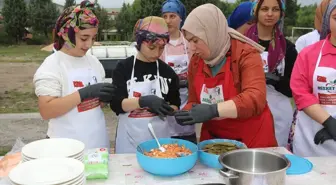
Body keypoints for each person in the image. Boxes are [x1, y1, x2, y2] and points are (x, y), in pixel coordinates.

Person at [174, 4, 278, 148]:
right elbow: (194, 100)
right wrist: (186, 113)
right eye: (189, 41)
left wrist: (213, 110)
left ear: (211, 34)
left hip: (250, 140)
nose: (192, 47)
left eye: (195, 40)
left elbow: (255, 98)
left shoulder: (246, 54)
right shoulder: (197, 62)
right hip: (214, 141)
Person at [33, 1, 114, 150]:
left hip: (97, 145)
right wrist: (84, 93)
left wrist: (104, 98)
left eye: (93, 38)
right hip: (65, 149)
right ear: (66, 34)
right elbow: (46, 110)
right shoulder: (53, 65)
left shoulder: (94, 62)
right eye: (84, 38)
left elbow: (97, 106)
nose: (89, 44)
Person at [110, 16, 181, 153]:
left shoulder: (168, 72)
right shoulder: (123, 68)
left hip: (160, 144)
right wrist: (143, 101)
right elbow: (116, 105)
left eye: (161, 48)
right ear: (139, 41)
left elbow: (175, 103)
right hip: (128, 144)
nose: (157, 53)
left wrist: (167, 109)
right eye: (152, 47)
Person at [244, 0, 298, 147]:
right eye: (264, 9)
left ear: (281, 13)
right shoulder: (242, 43)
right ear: (256, 11)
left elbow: (294, 88)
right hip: (248, 111)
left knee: (274, 157)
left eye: (275, 9)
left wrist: (276, 80)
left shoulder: (288, 48)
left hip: (279, 115)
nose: (269, 14)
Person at [289, 0, 336, 157]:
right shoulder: (309, 54)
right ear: (327, 19)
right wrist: (329, 122)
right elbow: (300, 92)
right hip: (311, 140)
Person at [160, 0, 196, 143]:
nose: (168, 21)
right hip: (167, 98)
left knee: (187, 138)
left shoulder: (189, 42)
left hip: (187, 96)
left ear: (181, 18)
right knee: (167, 140)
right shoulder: (159, 43)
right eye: (165, 16)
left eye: (172, 16)